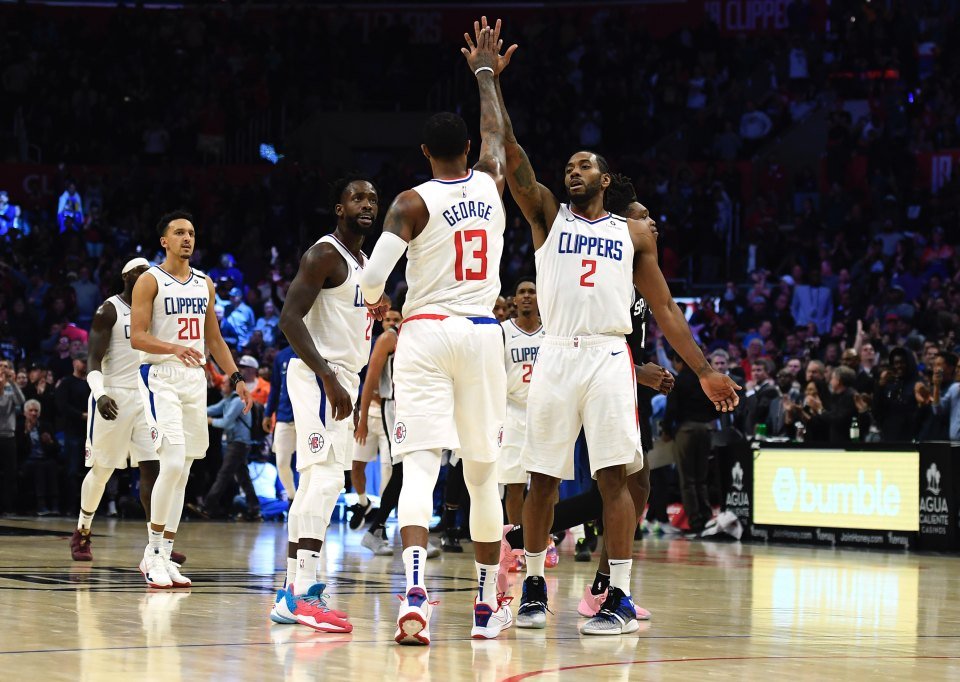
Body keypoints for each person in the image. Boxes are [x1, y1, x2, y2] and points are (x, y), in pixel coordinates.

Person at [491, 21, 739, 636]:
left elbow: (666, 311)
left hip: (607, 357)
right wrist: (489, 79)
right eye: (568, 165)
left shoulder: (633, 235)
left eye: (584, 165)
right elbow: (512, 153)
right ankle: (532, 587)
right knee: (541, 480)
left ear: (605, 177)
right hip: (554, 354)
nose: (573, 170)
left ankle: (619, 596)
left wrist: (702, 370)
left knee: (616, 481)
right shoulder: (546, 214)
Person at [358, 22, 512, 644]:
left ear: (424, 154)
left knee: (418, 470)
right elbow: (499, 134)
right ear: (469, 148)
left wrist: (381, 308)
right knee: (482, 475)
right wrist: (484, 75)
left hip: (423, 333)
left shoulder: (410, 203)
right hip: (480, 333)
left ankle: (415, 596)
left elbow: (371, 281)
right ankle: (483, 608)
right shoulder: (493, 181)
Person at [270, 175, 379, 633]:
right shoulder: (325, 254)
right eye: (357, 197)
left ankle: (291, 592)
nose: (367, 204)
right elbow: (288, 319)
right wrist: (329, 378)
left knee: (317, 479)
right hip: (321, 375)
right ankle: (306, 594)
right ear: (339, 208)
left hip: (342, 377)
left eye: (373, 198)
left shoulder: (364, 259)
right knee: (327, 479)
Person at [131, 210, 251, 589]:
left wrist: (236, 377)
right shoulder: (150, 280)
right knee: (169, 462)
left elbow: (213, 338)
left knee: (183, 470)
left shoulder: (204, 283)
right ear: (164, 241)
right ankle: (151, 554)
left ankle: (165, 555)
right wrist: (173, 348)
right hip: (160, 376)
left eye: (192, 233)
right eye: (179, 233)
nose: (188, 238)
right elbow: (137, 336)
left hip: (194, 379)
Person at [72, 259, 183, 563]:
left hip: (147, 397)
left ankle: (157, 544)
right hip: (113, 397)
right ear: (125, 277)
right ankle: (82, 531)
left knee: (152, 468)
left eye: (149, 270)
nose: (146, 274)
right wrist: (100, 394)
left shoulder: (154, 311)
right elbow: (93, 361)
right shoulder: (109, 310)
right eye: (140, 271)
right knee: (102, 470)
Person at [500, 279, 544, 527]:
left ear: (540, 297)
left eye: (532, 291)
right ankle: (515, 543)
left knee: (546, 482)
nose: (527, 296)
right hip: (512, 411)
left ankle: (546, 538)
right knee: (514, 484)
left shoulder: (550, 332)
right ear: (515, 300)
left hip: (543, 413)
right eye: (521, 292)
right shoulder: (503, 331)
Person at [350, 306, 398, 531]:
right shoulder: (374, 343)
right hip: (370, 411)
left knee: (389, 469)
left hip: (392, 412)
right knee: (356, 464)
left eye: (394, 319)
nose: (390, 322)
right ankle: (362, 503)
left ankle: (382, 521)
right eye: (387, 319)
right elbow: (363, 382)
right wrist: (360, 417)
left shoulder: (404, 342)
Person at [199, 380, 261, 520]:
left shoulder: (238, 401)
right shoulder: (228, 400)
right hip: (236, 442)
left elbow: (226, 422)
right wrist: (193, 410)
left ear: (231, 387)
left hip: (239, 443)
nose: (221, 386)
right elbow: (212, 409)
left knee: (224, 474)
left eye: (224, 384)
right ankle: (254, 509)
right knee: (243, 477)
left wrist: (210, 421)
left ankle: (208, 506)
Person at [56, 351, 90, 511]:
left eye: (86, 361)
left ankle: (90, 507)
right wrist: (81, 415)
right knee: (72, 471)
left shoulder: (91, 382)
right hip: (72, 433)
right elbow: (62, 406)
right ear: (74, 362)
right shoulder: (67, 383)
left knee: (91, 470)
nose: (84, 364)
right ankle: (70, 506)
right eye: (81, 361)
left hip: (90, 433)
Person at [265, 344, 297, 501]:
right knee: (282, 462)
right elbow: (275, 388)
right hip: (284, 416)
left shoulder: (316, 349)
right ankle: (292, 497)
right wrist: (267, 413)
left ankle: (306, 503)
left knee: (308, 466)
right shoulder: (281, 355)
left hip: (308, 417)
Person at [16, 399, 60, 514]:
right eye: (31, 410)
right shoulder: (20, 426)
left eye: (36, 411)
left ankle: (55, 505)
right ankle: (41, 505)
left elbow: (57, 449)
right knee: (39, 467)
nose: (34, 413)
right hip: (28, 460)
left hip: (45, 458)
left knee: (51, 465)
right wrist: (26, 433)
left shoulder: (46, 426)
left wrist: (50, 442)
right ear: (25, 413)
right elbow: (18, 449)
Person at [0, 362, 25, 514]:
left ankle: (8, 506)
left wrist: (12, 382)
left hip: (9, 436)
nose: (3, 369)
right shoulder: (4, 390)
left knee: (10, 473)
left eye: (5, 366)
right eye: (1, 366)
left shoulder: (11, 388)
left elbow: (21, 402)